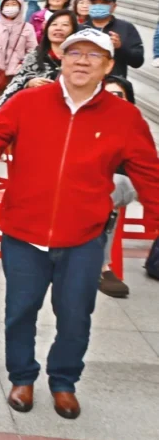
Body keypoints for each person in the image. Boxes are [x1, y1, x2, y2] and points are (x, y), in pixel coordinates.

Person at [0, 29, 159, 420]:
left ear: (107, 66)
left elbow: (148, 172)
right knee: (20, 309)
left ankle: (64, 382)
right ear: (61, 58)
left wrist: (155, 220)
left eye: (93, 55)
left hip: (82, 236)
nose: (82, 61)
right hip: (24, 232)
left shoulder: (124, 116)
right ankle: (22, 376)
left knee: (75, 314)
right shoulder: (29, 102)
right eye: (75, 53)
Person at [98, 75, 136, 300]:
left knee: (114, 185)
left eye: (119, 96)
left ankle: (97, 263)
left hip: (119, 188)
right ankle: (102, 267)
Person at [0, 10, 76, 109]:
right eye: (54, 24)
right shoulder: (34, 56)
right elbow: (15, 84)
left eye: (65, 25)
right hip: (36, 109)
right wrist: (29, 83)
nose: (58, 28)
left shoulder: (78, 59)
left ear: (74, 30)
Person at [80, 0, 143, 79]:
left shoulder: (126, 28)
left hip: (113, 83)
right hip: (84, 81)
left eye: (103, 3)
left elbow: (138, 61)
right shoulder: (80, 28)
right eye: (94, 3)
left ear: (114, 6)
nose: (98, 6)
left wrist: (120, 47)